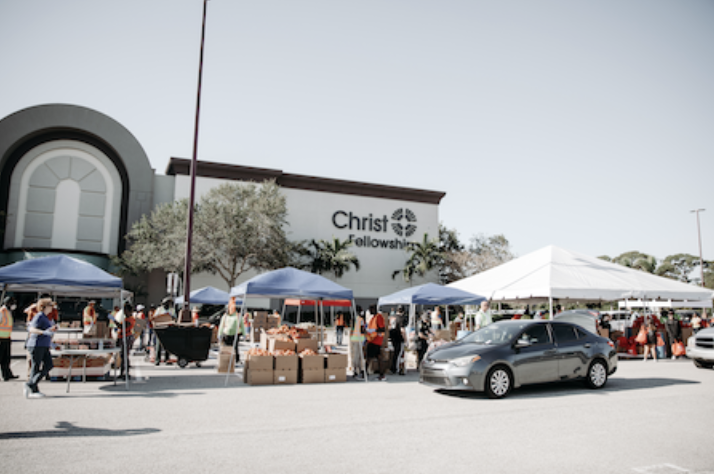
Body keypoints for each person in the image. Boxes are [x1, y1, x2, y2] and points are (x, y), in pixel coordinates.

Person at [24, 298, 57, 398]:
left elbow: (45, 329)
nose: (52, 307)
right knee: (36, 366)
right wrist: (43, 332)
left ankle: (31, 384)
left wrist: (51, 330)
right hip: (37, 344)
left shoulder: (45, 317)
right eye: (50, 305)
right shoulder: (39, 316)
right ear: (45, 306)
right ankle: (32, 388)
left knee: (48, 365)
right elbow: (31, 328)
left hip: (43, 345)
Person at [218, 297, 244, 363]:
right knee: (226, 348)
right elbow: (221, 325)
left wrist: (244, 334)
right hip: (226, 334)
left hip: (235, 334)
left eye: (233, 308)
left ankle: (237, 359)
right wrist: (219, 334)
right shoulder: (225, 316)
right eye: (231, 308)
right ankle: (227, 359)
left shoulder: (238, 316)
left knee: (235, 347)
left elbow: (242, 325)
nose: (232, 309)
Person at [115, 303, 136, 379]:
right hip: (123, 337)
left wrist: (113, 320)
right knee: (123, 356)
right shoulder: (127, 318)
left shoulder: (130, 319)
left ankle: (126, 373)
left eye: (125, 310)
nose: (124, 312)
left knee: (125, 356)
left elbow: (122, 326)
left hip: (126, 338)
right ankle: (122, 372)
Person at [0, 297, 18, 381]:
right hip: (1, 338)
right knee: (1, 357)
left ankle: (7, 374)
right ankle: (6, 374)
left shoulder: (8, 311)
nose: (13, 305)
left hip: (6, 338)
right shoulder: (2, 311)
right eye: (12, 303)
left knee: (6, 358)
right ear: (8, 303)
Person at [365, 311, 387, 381]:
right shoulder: (374, 317)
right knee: (378, 357)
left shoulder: (378, 317)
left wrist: (374, 331)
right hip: (374, 340)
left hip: (374, 340)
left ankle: (364, 374)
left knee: (369, 358)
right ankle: (381, 374)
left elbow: (382, 329)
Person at [350, 312, 366, 380]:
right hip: (358, 339)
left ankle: (357, 370)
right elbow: (362, 330)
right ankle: (356, 371)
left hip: (353, 339)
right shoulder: (361, 320)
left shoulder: (354, 319)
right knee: (358, 356)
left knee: (356, 356)